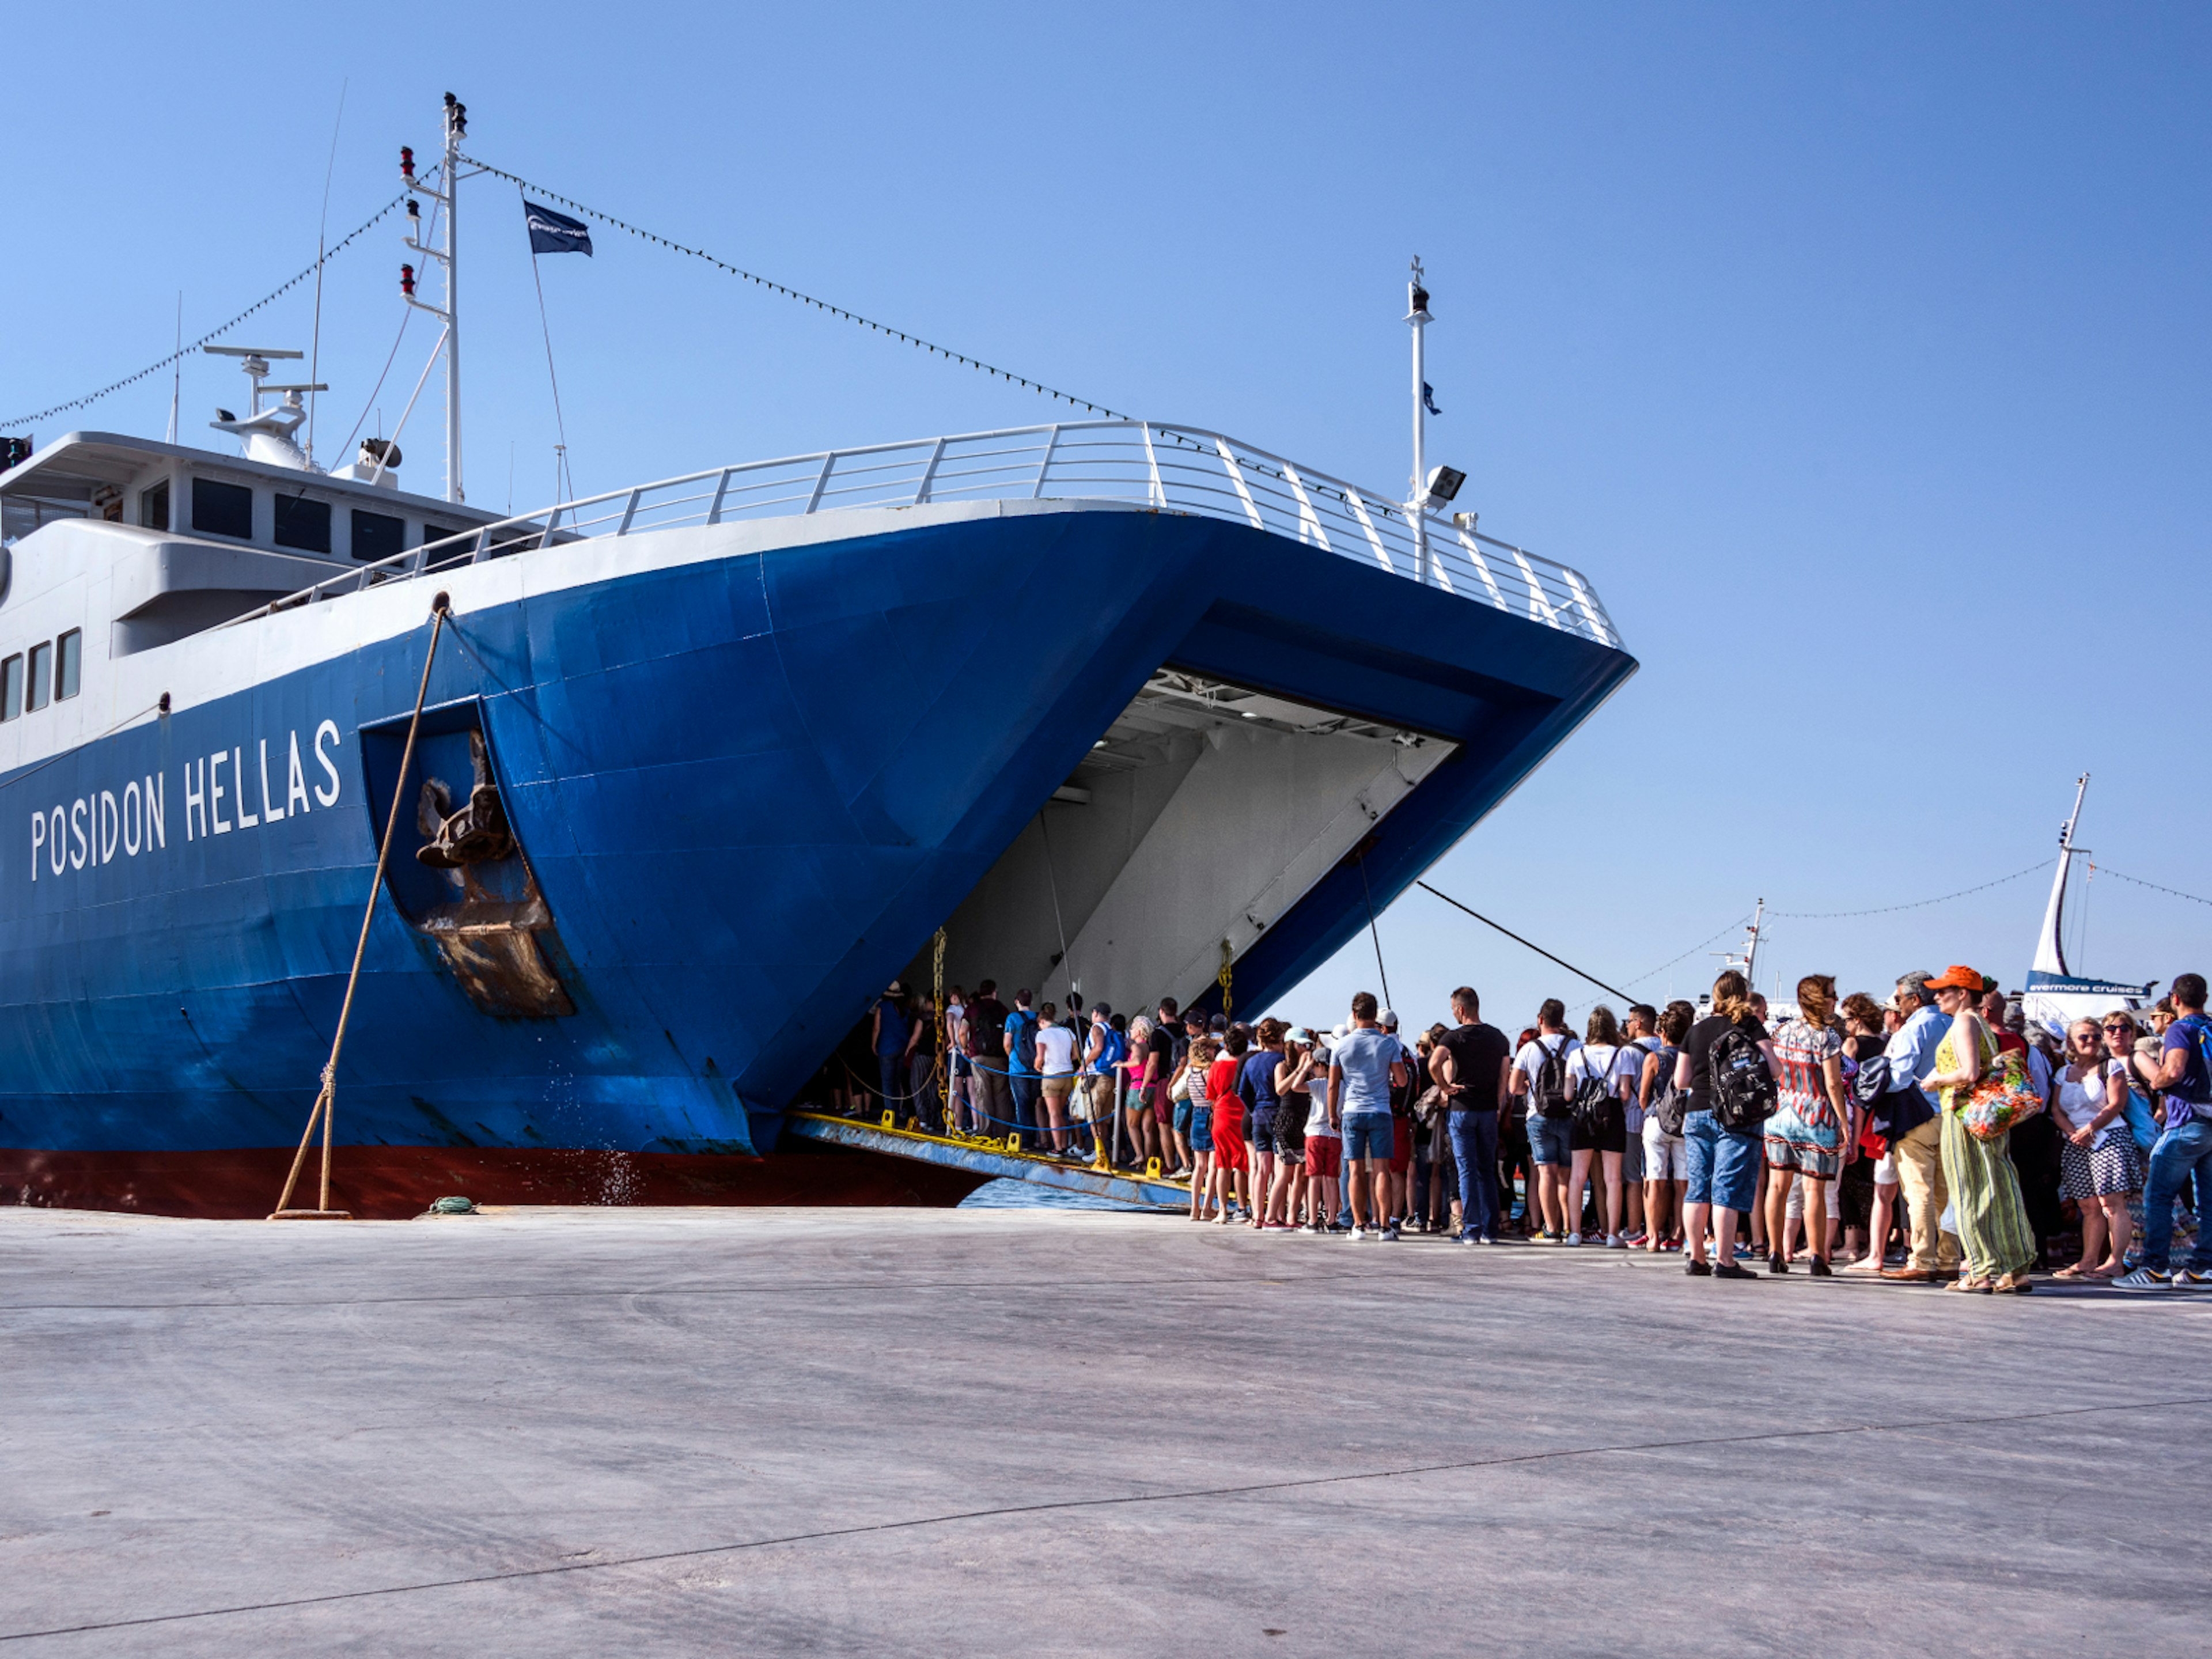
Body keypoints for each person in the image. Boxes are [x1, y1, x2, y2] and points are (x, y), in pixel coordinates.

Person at [1919, 964, 2036, 1294]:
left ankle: (1980, 1271)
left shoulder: (1964, 1022)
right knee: (1997, 1187)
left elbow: (1969, 1073)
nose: (1937, 995)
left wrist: (1936, 1080)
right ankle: (2013, 1269)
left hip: (1963, 1115)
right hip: (1985, 1117)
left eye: (1945, 990)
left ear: (1963, 993)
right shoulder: (1980, 1022)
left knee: (1969, 1191)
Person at [1676, 970, 1777, 1280]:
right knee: (1726, 1187)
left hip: (1697, 1113)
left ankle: (1696, 1257)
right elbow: (1775, 1068)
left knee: (1699, 1185)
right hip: (1736, 1115)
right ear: (1743, 994)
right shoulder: (1749, 1025)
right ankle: (1725, 1259)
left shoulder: (1696, 1030)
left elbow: (1681, 1080)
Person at [2115, 971, 2212, 1290]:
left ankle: (2155, 1269)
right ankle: (2202, 1269)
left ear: (2175, 1000)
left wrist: (2157, 1081)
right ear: (2206, 999)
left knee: (2158, 1196)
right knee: (2208, 1201)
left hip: (2186, 1123)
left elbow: (2173, 1070)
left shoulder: (2181, 1029)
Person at [1762, 975, 1850, 1276]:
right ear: (1819, 1000)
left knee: (1777, 1187)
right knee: (1814, 1191)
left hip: (1780, 1116)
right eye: (1831, 995)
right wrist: (1843, 1120)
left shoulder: (1781, 1031)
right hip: (1816, 1118)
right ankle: (1816, 1255)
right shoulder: (1828, 1037)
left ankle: (1775, 1252)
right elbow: (1834, 1083)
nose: (1835, 1000)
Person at [1878, 971, 1959, 1283]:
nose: (1897, 1005)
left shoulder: (1916, 1027)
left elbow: (1899, 1076)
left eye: (1898, 999)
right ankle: (1950, 1258)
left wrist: (1875, 1087)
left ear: (1914, 999)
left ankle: (1922, 1258)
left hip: (1918, 1115)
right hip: (1950, 1114)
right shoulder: (1951, 1021)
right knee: (1945, 1192)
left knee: (1918, 1191)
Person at [2048, 1017, 2141, 1280]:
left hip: (2108, 1137)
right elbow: (2056, 1109)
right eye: (2084, 1037)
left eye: (2096, 1037)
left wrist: (2090, 1129)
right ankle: (2088, 1260)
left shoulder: (2110, 1067)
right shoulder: (2062, 1074)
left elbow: (2116, 1104)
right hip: (2076, 1141)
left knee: (2112, 1203)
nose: (2091, 1041)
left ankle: (2115, 1261)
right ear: (2070, 1043)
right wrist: (2072, 1133)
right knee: (2088, 1206)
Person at [1431, 986, 1512, 1245]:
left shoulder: (1453, 1038)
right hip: (1488, 1110)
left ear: (1461, 1009)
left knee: (1466, 1169)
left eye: (1454, 1010)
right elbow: (1504, 1076)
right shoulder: (1499, 1038)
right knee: (1486, 1169)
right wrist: (1498, 1104)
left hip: (1462, 1109)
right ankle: (1490, 1230)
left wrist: (1445, 1087)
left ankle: (1472, 1230)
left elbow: (1434, 1063)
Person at [1328, 991, 1410, 1241]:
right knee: (1382, 1169)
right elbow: (1402, 1080)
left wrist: (1333, 1114)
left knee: (1354, 1170)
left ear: (1354, 1015)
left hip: (1352, 1111)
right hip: (1380, 1111)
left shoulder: (1341, 1045)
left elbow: (1333, 1085)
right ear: (1375, 1016)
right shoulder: (1388, 1044)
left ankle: (1358, 1225)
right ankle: (1385, 1226)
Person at [1838, 993, 1900, 1275]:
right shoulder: (1886, 1044)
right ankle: (1879, 1239)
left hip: (1857, 1115)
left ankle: (1852, 1242)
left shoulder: (1851, 1044)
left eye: (1846, 1019)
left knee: (1850, 1181)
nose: (1844, 1024)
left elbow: (1844, 1081)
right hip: (1881, 1119)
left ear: (1857, 1020)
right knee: (1875, 1180)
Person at [1511, 1001, 1581, 1243]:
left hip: (1538, 1116)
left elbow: (1514, 1087)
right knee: (1567, 1174)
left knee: (1545, 1173)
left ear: (1541, 1018)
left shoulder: (1529, 1049)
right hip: (1569, 1115)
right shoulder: (1575, 1046)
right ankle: (1571, 1228)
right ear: (1562, 1020)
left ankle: (1550, 1228)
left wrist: (1530, 1087)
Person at [1562, 1006, 1631, 1247]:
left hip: (1582, 1116)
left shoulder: (1576, 1055)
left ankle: (1574, 1233)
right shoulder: (1621, 1054)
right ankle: (1612, 1234)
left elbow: (1568, 1095)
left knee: (1577, 1178)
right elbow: (1624, 1094)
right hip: (1611, 1114)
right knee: (1612, 1179)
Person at [1639, 1001, 1692, 1253]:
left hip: (1656, 1123)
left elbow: (1642, 1097)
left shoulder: (1654, 1058)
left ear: (1663, 1032)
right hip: (1683, 1123)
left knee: (1655, 1180)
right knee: (1683, 1181)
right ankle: (1680, 1233)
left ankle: (1653, 1236)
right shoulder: (1689, 1058)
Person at [1241, 1020, 1290, 1229]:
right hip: (1280, 1115)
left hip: (1259, 1115)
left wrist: (1254, 1109)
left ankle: (1257, 1216)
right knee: (1280, 1170)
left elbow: (1242, 1092)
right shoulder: (1283, 1061)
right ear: (1280, 1038)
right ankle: (1276, 1215)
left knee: (1261, 1170)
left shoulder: (1251, 1062)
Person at [1619, 1004, 1660, 1243]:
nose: (1626, 1025)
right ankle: (1660, 1228)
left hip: (1634, 1120)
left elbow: (1624, 1092)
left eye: (1629, 1020)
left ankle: (1635, 1227)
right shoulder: (1665, 1047)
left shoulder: (1628, 1052)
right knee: (1658, 1177)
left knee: (1634, 1177)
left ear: (1639, 1023)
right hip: (1663, 1119)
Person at [1297, 1032, 1342, 1231]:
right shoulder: (1343, 1086)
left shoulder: (1318, 1085)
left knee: (1314, 1178)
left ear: (1321, 1066)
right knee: (1332, 1179)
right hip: (1335, 1135)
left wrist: (1303, 1068)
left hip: (1315, 1133)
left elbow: (1296, 1087)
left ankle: (1313, 1220)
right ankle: (1332, 1220)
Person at [1209, 1029, 1251, 1222]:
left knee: (1223, 1164)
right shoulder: (1248, 1065)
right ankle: (1243, 1208)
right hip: (1243, 1115)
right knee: (1242, 1165)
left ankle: (1223, 1211)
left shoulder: (1217, 1067)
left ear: (1226, 1047)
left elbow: (1211, 1095)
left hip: (1222, 1116)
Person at [966, 981, 1012, 1142]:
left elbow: (962, 1030)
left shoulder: (973, 1008)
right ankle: (1003, 1135)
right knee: (1002, 1097)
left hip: (979, 1058)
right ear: (994, 992)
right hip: (1000, 1058)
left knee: (983, 1095)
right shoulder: (1002, 1008)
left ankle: (985, 1133)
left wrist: (966, 1049)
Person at [1033, 1000, 1079, 1157]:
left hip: (1051, 1076)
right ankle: (1064, 1145)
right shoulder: (1068, 1032)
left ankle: (1057, 1148)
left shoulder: (1042, 1034)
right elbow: (1076, 1055)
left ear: (1042, 1021)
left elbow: (1039, 1058)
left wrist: (1037, 1066)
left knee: (1053, 1113)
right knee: (1061, 1112)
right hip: (1067, 1075)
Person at [1183, 1035, 1219, 1220]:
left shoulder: (1189, 1071)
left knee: (1199, 1166)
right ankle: (1207, 1207)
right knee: (1213, 1166)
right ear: (1205, 1051)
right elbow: (1214, 1097)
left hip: (1196, 1115)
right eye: (1211, 1048)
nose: (1214, 1051)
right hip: (1211, 1116)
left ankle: (1194, 1208)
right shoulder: (1209, 1072)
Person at [1002, 990, 1043, 1152]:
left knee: (1022, 1103)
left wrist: (1012, 1057)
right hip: (1036, 1067)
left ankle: (1025, 1140)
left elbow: (1007, 1043)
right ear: (1031, 1001)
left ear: (1017, 1001)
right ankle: (1036, 1138)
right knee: (1034, 1104)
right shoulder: (1038, 1018)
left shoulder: (1012, 1018)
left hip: (1018, 1068)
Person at [870, 982, 911, 1113]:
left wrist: (873, 1044)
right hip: (902, 1047)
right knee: (896, 1082)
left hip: (886, 1048)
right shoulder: (905, 1009)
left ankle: (889, 1112)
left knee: (887, 1083)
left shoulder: (882, 1007)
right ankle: (898, 1112)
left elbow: (877, 1028)